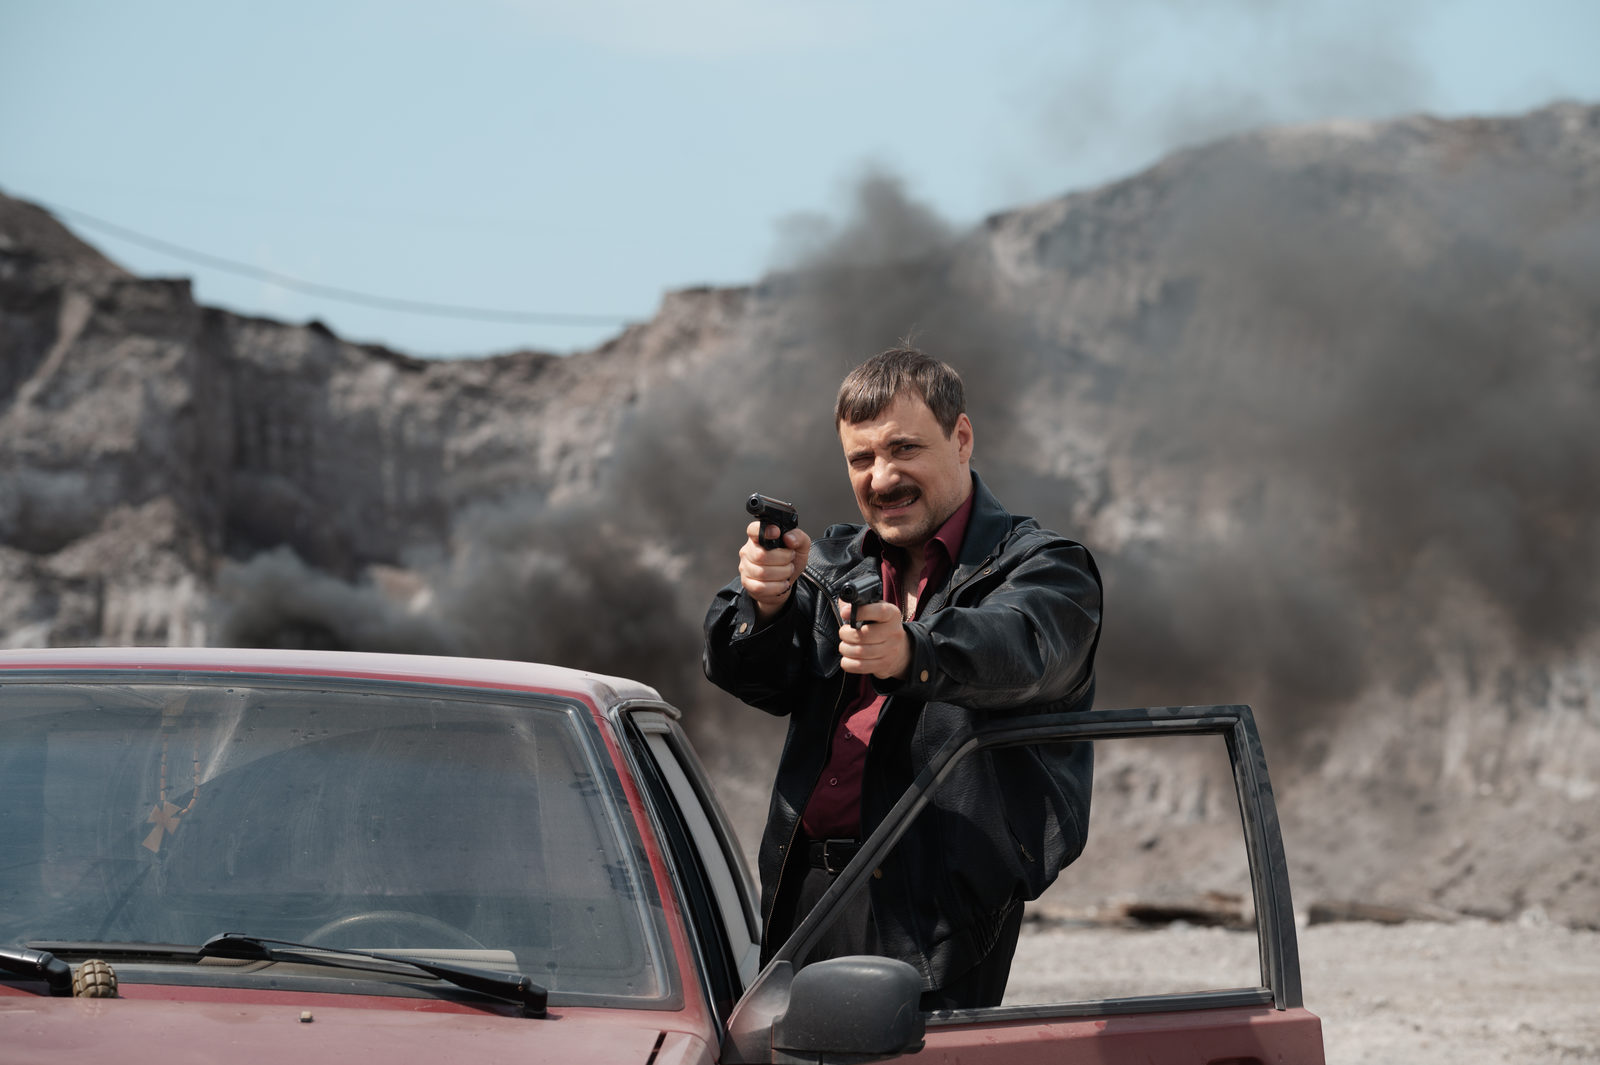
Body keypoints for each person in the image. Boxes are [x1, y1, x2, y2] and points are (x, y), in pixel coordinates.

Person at [702, 347, 1103, 1010]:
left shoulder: (1045, 567)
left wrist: (913, 650)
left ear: (961, 437)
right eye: (861, 458)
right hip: (805, 895)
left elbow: (1019, 648)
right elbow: (751, 674)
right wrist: (763, 602)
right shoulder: (831, 563)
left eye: (904, 448)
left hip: (937, 917)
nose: (882, 478)